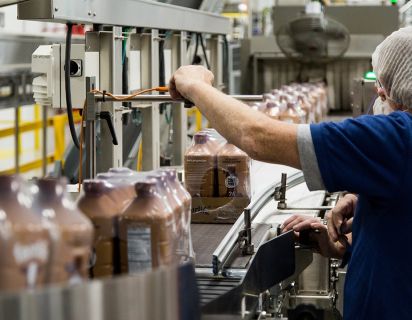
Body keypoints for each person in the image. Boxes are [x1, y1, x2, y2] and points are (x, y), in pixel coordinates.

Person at [169, 27, 412, 319]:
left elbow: (255, 136)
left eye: (383, 85)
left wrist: (196, 86)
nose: (378, 94)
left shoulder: (397, 137)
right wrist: (351, 240)